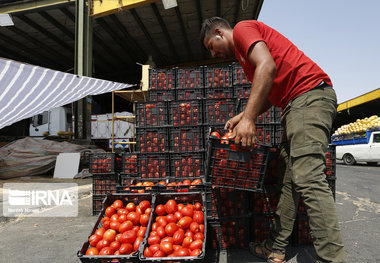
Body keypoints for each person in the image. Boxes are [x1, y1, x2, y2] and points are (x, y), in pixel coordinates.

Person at [200, 17, 345, 263]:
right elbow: (266, 94)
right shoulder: (245, 61)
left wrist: (249, 120)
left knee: (308, 177)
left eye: (211, 46)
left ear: (219, 32)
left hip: (308, 97)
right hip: (293, 106)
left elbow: (267, 66)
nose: (213, 54)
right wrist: (243, 116)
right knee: (289, 180)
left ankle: (332, 259)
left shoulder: (244, 29)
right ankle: (276, 247)